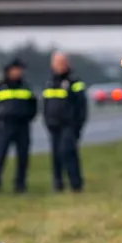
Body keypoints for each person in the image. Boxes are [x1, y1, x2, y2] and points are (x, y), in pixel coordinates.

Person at [0, 58, 37, 193]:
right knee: (0, 155)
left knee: (23, 157)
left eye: (19, 70)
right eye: (15, 69)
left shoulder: (25, 87)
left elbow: (33, 105)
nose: (17, 72)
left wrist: (28, 117)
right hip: (4, 124)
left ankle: (20, 184)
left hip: (22, 125)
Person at [42, 50, 87, 192]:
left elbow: (81, 105)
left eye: (62, 62)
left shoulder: (74, 82)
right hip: (54, 124)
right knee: (56, 155)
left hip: (69, 124)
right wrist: (47, 120)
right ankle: (58, 183)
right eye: (56, 62)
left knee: (67, 152)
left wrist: (78, 126)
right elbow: (45, 104)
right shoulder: (49, 82)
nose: (59, 65)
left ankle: (75, 183)